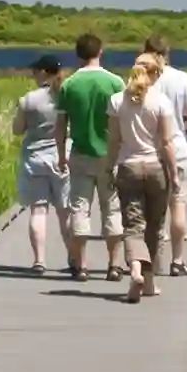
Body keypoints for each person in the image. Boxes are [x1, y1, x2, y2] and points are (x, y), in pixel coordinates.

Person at [105, 54, 181, 302]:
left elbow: (114, 141)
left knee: (133, 226)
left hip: (129, 167)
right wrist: (174, 175)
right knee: (155, 227)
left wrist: (108, 167)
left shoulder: (117, 101)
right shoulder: (161, 101)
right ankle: (149, 283)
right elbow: (167, 143)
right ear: (155, 74)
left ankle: (135, 272)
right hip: (155, 167)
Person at [55, 33, 126, 280]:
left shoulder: (69, 85)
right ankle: (114, 265)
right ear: (100, 52)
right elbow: (124, 121)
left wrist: (61, 155)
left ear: (77, 54)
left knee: (79, 209)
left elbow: (60, 125)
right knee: (112, 209)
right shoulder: (115, 82)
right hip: (110, 154)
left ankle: (81, 264)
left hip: (80, 153)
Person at [142, 33, 187, 275]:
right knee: (178, 205)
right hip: (178, 149)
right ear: (168, 53)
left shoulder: (141, 79)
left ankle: (152, 261)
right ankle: (177, 261)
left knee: (152, 212)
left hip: (149, 150)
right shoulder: (181, 78)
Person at [10, 54, 69, 272]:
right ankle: (75, 259)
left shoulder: (29, 100)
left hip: (35, 158)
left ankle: (39, 260)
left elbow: (17, 130)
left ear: (44, 72)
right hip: (63, 157)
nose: (33, 75)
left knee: (38, 210)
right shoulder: (66, 96)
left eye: (35, 71)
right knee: (65, 212)